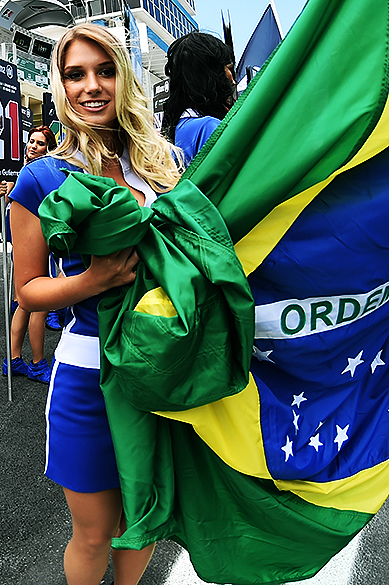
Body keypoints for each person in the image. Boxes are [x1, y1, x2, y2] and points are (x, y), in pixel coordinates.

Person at [9, 23, 181, 585]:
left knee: (143, 518)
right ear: (58, 86)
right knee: (92, 530)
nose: (92, 86)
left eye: (105, 70)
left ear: (123, 77)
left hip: (158, 370)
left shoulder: (161, 163)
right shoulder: (41, 176)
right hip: (87, 374)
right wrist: (94, 280)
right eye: (75, 74)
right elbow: (27, 290)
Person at [3, 125, 58, 383]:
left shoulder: (37, 170)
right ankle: (37, 363)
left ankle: (14, 360)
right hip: (32, 245)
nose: (33, 146)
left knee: (26, 303)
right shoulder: (35, 173)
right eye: (32, 142)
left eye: (39, 143)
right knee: (36, 303)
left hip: (32, 243)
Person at [162, 31, 236, 165]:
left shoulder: (174, 129)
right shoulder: (210, 127)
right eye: (229, 69)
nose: (232, 80)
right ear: (210, 75)